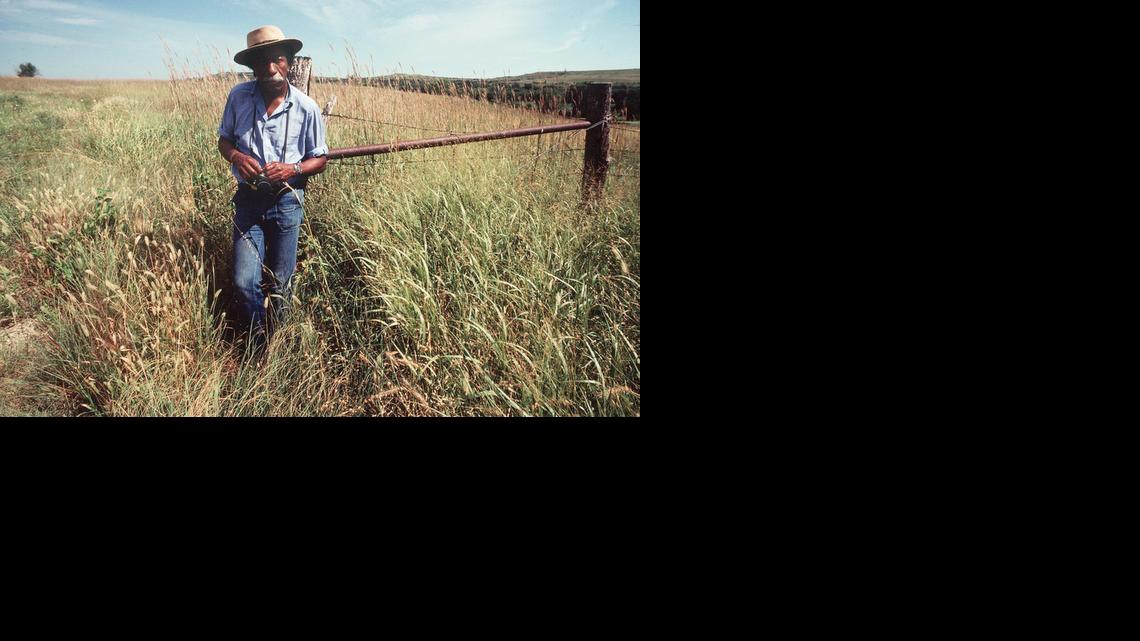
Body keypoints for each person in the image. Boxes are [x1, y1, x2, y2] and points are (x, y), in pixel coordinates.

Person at [217, 25, 328, 347]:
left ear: (289, 63)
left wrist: (293, 168)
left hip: (287, 203)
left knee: (282, 282)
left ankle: (278, 347)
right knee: (242, 282)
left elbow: (319, 159)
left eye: (277, 60)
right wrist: (236, 156)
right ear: (252, 67)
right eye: (262, 62)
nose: (270, 69)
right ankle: (256, 345)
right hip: (248, 202)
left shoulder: (306, 107)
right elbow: (224, 140)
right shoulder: (239, 96)